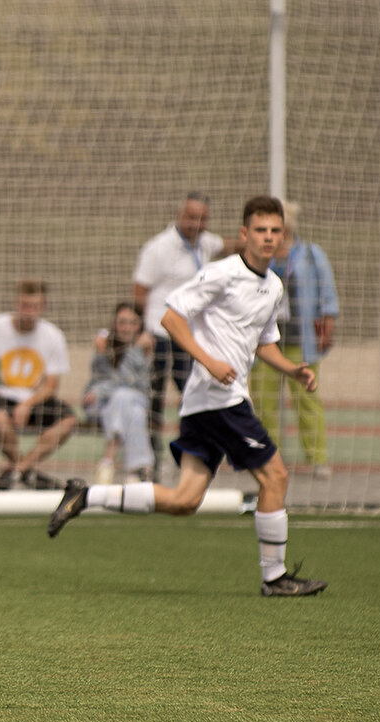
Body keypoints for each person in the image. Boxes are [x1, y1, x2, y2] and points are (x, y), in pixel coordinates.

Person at [49, 196, 328, 597]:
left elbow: (264, 344)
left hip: (210, 402)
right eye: (261, 230)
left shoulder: (274, 286)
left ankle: (86, 495)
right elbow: (171, 317)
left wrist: (293, 370)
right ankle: (275, 577)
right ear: (245, 234)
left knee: (184, 499)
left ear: (282, 236)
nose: (268, 238)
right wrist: (210, 360)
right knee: (276, 475)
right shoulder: (223, 273)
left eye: (275, 231)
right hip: (218, 397)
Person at [133, 192, 238, 479]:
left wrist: (255, 239)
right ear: (180, 215)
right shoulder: (158, 248)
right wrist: (142, 331)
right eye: (191, 217)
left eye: (203, 218)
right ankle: (151, 461)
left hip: (189, 337)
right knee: (153, 399)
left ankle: (188, 458)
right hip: (159, 333)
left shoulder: (205, 243)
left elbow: (228, 245)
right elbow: (140, 291)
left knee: (192, 397)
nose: (197, 223)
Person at [248, 201, 339, 478]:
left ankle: (317, 458)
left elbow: (327, 292)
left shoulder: (310, 254)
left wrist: (327, 325)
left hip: (301, 338)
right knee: (264, 400)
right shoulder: (258, 255)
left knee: (307, 398)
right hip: (266, 340)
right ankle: (267, 456)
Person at [0, 279, 77, 490]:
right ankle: (27, 472)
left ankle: (17, 470)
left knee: (68, 420)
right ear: (16, 303)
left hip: (32, 398)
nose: (29, 312)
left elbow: (50, 386)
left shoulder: (53, 335)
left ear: (43, 307)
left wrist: (28, 404)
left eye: (34, 307)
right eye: (25, 305)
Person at [82, 302, 155, 484]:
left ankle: (108, 460)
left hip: (132, 400)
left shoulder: (145, 348)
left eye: (133, 323)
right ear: (114, 323)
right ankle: (137, 471)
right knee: (127, 403)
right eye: (122, 322)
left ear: (140, 325)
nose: (127, 327)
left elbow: (134, 383)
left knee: (126, 399)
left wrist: (136, 350)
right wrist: (101, 355)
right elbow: (103, 379)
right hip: (101, 404)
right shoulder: (104, 344)